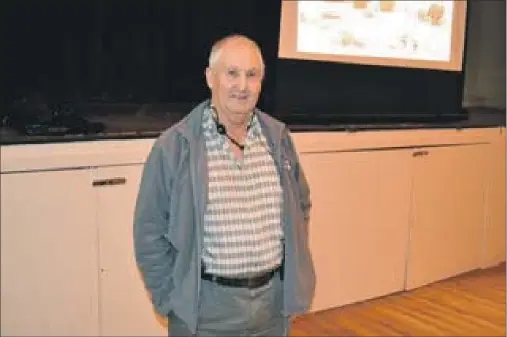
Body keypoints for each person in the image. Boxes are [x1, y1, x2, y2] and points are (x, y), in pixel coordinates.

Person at [133, 34, 315, 336]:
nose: (242, 86)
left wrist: (291, 280)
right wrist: (170, 298)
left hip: (272, 308)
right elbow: (149, 231)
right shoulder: (174, 147)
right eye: (232, 73)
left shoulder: (279, 140)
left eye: (251, 75)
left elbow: (301, 206)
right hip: (206, 311)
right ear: (210, 77)